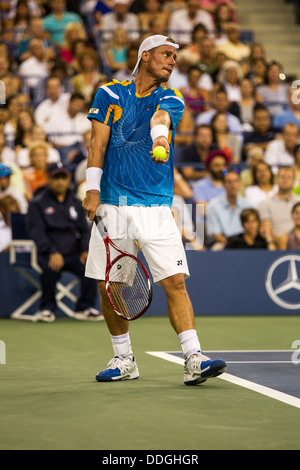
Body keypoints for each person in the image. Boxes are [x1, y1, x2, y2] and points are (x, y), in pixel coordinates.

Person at [82, 34, 226, 384]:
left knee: (174, 281)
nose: (172, 61)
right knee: (109, 286)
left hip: (156, 206)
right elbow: (97, 145)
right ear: (145, 56)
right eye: (166, 54)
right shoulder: (110, 93)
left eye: (175, 57)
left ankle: (193, 357)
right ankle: (123, 359)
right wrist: (91, 190)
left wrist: (160, 137)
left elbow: (160, 118)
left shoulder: (171, 96)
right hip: (113, 203)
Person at [26, 162, 103, 323]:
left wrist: (84, 250)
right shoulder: (37, 203)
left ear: (68, 179)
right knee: (50, 267)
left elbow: (84, 230)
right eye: (56, 177)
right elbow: (37, 232)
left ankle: (85, 307)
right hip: (49, 253)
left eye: (63, 177)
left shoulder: (76, 202)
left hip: (74, 253)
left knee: (90, 266)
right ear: (49, 178)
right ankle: (46, 308)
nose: (60, 181)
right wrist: (52, 251)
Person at [206, 168, 253, 249]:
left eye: (236, 181)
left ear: (240, 183)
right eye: (229, 182)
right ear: (223, 184)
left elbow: (252, 231)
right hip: (223, 244)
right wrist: (233, 245)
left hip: (245, 244)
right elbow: (216, 235)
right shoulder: (212, 206)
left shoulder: (249, 206)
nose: (233, 185)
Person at [258, 166, 300, 244]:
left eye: (289, 177)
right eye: (282, 177)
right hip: (277, 248)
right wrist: (282, 242)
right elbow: (266, 230)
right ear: (276, 180)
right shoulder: (265, 203)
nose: (285, 180)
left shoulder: (298, 201)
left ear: (294, 181)